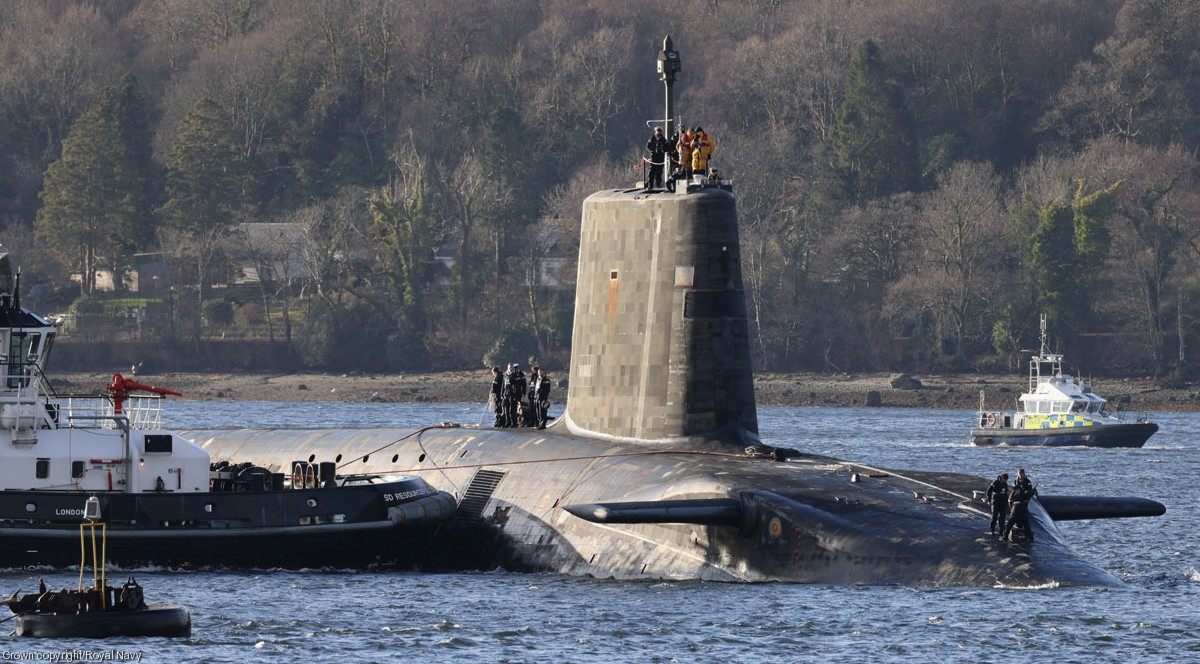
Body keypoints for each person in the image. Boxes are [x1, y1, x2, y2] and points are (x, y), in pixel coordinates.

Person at [1004, 468, 1037, 542]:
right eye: (1019, 474)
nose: (1020, 475)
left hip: (1022, 504)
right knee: (1011, 522)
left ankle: (1030, 538)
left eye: (1021, 474)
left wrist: (1026, 500)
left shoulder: (1027, 482)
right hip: (1015, 505)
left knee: (1025, 522)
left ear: (1023, 474)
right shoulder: (1016, 482)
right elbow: (1013, 492)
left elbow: (1029, 493)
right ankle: (1005, 536)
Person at [503, 363, 527, 428]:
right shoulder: (506, 375)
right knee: (506, 409)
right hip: (507, 393)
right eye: (509, 367)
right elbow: (504, 386)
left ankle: (514, 423)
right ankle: (507, 422)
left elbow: (518, 386)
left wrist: (516, 395)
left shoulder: (516, 375)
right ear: (507, 368)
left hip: (513, 394)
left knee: (512, 409)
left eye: (512, 367)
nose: (510, 368)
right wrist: (503, 394)